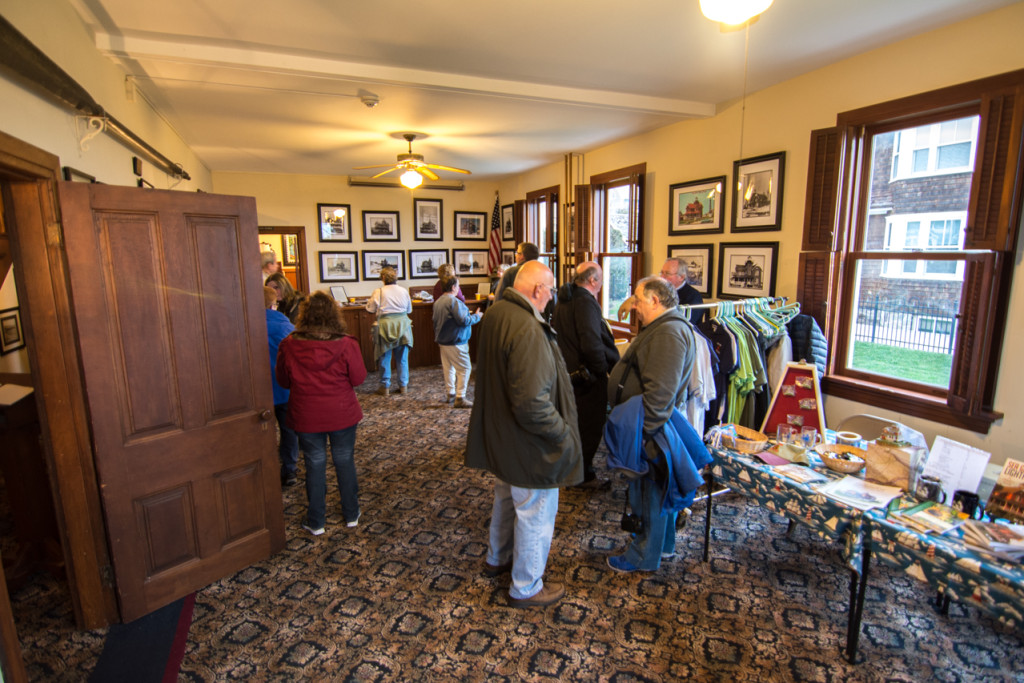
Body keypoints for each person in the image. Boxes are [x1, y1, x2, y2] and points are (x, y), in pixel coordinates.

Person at [465, 260, 582, 608]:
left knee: (505, 500)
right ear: (536, 290)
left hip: (503, 437)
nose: (552, 298)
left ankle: (497, 558)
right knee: (535, 511)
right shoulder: (528, 327)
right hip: (530, 445)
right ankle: (526, 587)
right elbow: (533, 404)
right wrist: (564, 436)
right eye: (551, 290)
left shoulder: (498, 311)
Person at [605, 276, 700, 572]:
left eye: (638, 300)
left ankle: (642, 557)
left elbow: (659, 396)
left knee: (648, 495)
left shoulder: (668, 334)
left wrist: (643, 436)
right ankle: (664, 546)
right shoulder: (663, 328)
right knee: (658, 491)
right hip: (648, 427)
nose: (634, 306)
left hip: (649, 430)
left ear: (655, 301)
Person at [276, 291, 367, 535]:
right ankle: (351, 513)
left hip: (306, 415)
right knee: (344, 460)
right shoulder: (347, 343)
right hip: (341, 413)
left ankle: (316, 521)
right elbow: (358, 378)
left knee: (314, 463)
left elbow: (283, 381)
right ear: (334, 316)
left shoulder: (289, 344)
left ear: (304, 316)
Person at [551, 261, 619, 490]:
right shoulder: (585, 302)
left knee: (575, 424)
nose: (602, 283)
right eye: (600, 278)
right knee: (590, 427)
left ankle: (572, 469)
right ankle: (583, 476)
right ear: (593, 280)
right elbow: (591, 343)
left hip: (570, 373)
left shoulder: (565, 298)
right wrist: (603, 372)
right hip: (588, 377)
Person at [265, 286, 299, 487]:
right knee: (288, 430)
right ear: (273, 304)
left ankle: (264, 467)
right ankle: (289, 469)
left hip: (257, 390)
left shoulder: (242, 324)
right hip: (283, 387)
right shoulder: (284, 326)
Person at [433, 274, 482, 408]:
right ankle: (460, 397)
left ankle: (451, 394)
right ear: (454, 287)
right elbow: (465, 321)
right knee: (465, 368)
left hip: (443, 341)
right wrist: (477, 316)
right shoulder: (454, 302)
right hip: (456, 341)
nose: (458, 288)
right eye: (458, 285)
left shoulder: (438, 302)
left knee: (449, 368)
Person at [366, 267, 413, 396]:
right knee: (402, 358)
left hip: (384, 326)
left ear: (383, 278)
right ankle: (403, 386)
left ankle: (385, 386)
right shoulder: (403, 291)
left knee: (384, 357)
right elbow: (409, 310)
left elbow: (370, 309)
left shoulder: (379, 292)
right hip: (403, 326)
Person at [616, 257, 705, 325]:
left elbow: (678, 323)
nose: (662, 277)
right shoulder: (660, 291)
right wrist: (634, 299)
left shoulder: (694, 297)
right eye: (661, 272)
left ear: (681, 277)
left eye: (667, 273)